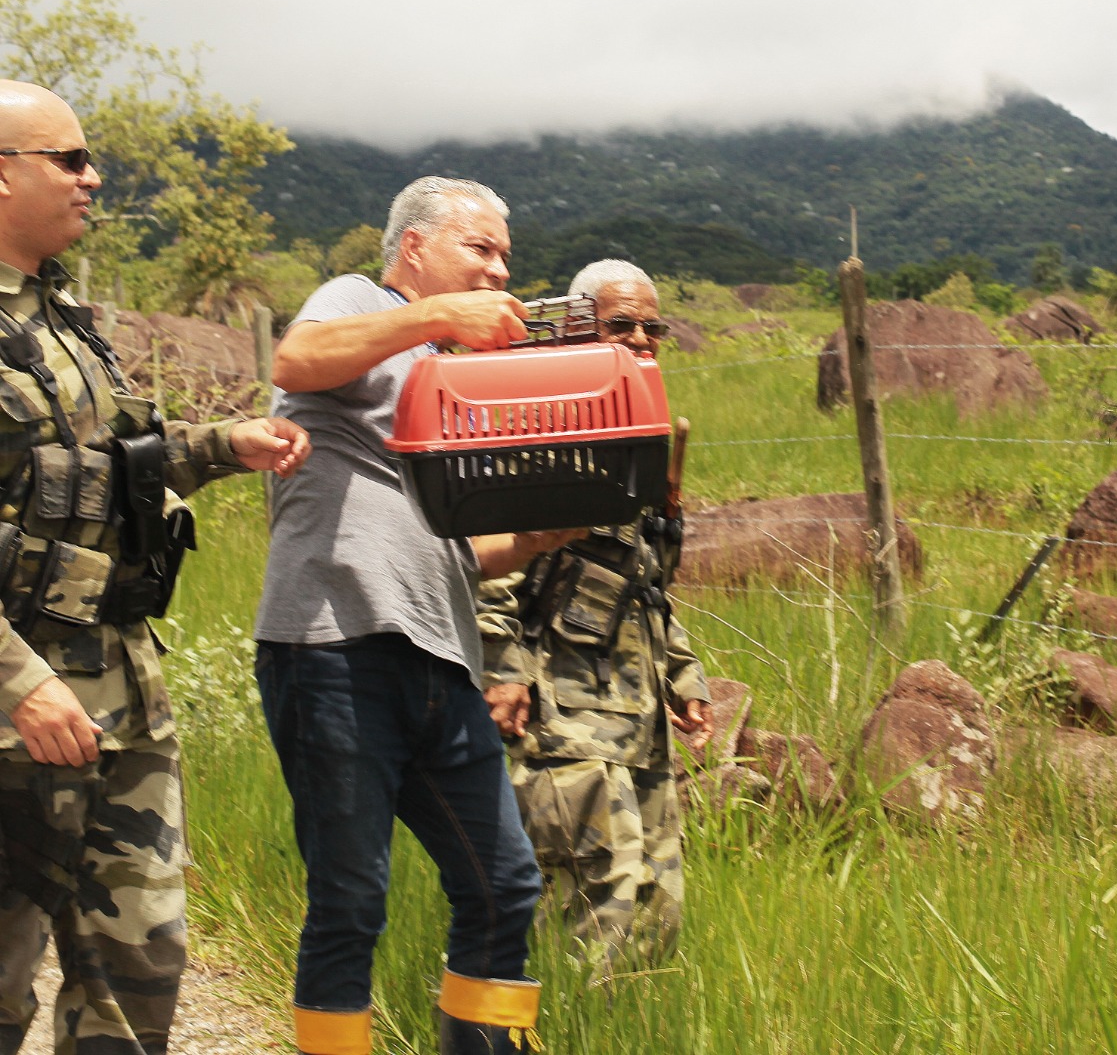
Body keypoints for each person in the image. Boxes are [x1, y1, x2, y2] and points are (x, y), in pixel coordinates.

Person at [0, 81, 311, 1055]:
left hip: (122, 690)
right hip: (22, 708)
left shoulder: (70, 327)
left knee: (137, 973)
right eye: (70, 158)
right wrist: (17, 685)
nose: (94, 176)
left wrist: (230, 442)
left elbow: (125, 459)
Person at [254, 176, 581, 1055]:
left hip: (439, 658)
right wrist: (434, 320)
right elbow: (293, 362)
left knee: (504, 882)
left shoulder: (442, 374)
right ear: (415, 249)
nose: (498, 268)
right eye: (480, 248)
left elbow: (454, 554)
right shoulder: (358, 301)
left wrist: (539, 538)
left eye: (505, 254)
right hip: (330, 649)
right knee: (352, 899)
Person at [477, 259, 713, 977]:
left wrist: (684, 675)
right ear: (580, 329)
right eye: (621, 325)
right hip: (565, 720)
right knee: (593, 905)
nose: (642, 339)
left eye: (653, 327)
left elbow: (644, 580)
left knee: (657, 911)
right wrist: (504, 670)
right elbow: (485, 565)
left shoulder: (639, 431)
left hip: (638, 725)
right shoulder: (539, 429)